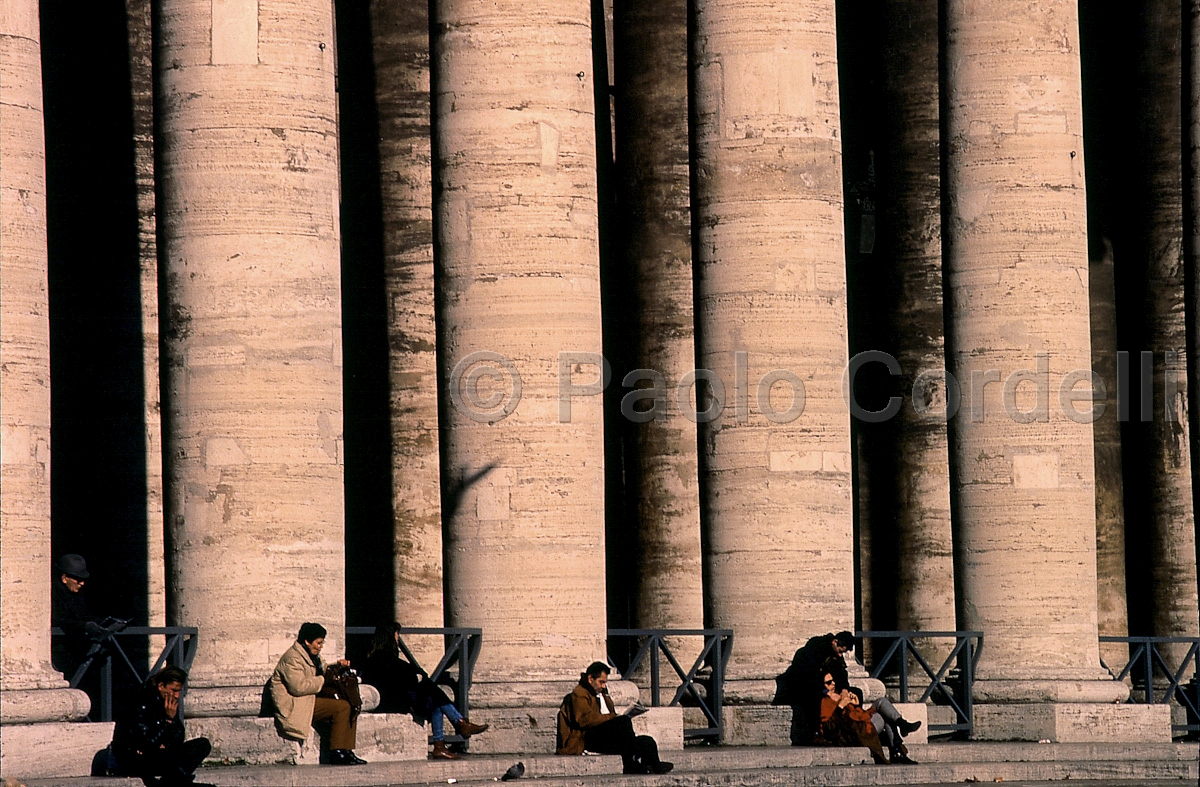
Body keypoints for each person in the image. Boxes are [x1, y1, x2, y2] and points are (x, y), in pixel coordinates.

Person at [360, 622, 488, 760]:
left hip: (398, 697)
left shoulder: (379, 656)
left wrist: (417, 677)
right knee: (430, 689)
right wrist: (417, 677)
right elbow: (405, 676)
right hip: (390, 701)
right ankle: (458, 724)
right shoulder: (382, 658)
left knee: (433, 699)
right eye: (396, 634)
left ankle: (443, 743)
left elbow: (411, 673)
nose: (398, 638)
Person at [264, 622, 366, 765]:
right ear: (307, 641)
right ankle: (336, 751)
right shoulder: (292, 658)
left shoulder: (313, 656)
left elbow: (323, 669)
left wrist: (337, 665)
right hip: (296, 704)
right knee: (341, 707)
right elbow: (298, 687)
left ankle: (346, 750)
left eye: (321, 643)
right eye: (318, 643)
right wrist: (322, 680)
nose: (320, 646)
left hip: (309, 699)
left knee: (351, 704)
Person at [555, 661, 672, 775]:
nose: (603, 686)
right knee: (623, 721)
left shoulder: (602, 694)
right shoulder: (580, 694)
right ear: (590, 679)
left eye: (605, 682)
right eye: (601, 682)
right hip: (587, 738)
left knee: (647, 741)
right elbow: (584, 720)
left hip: (605, 736)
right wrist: (611, 717)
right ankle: (630, 764)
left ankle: (652, 765)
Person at [110, 666, 212, 786]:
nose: (177, 696)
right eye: (173, 690)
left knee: (202, 744)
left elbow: (178, 737)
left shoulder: (167, 702)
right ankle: (176, 781)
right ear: (161, 686)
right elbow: (147, 743)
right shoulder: (140, 701)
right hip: (134, 759)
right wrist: (168, 722)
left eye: (179, 691)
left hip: (158, 755)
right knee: (168, 758)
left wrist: (171, 722)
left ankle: (171, 781)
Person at [773, 630, 856, 745]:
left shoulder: (835, 654)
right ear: (835, 642)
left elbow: (841, 672)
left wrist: (844, 690)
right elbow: (809, 676)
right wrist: (827, 692)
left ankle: (847, 728)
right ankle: (814, 734)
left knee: (857, 692)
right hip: (801, 684)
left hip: (820, 682)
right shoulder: (815, 648)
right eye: (841, 651)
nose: (841, 655)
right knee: (814, 696)